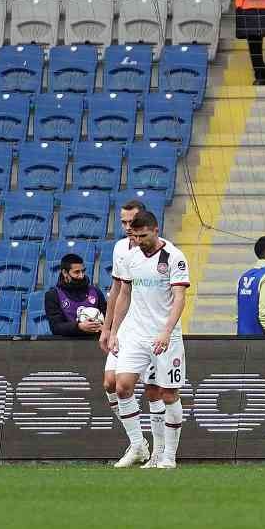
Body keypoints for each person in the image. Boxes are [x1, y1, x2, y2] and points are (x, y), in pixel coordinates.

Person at [102, 210, 190, 470]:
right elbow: (124, 294)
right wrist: (115, 330)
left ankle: (168, 456)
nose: (139, 240)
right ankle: (139, 445)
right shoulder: (130, 257)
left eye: (143, 235)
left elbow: (180, 298)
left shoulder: (174, 257)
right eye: (135, 236)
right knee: (121, 386)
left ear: (155, 229)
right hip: (137, 334)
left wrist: (166, 331)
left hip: (165, 336)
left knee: (167, 393)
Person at [102, 199, 162, 467]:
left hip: (150, 328)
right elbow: (117, 290)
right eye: (123, 223)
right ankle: (138, 444)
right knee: (109, 384)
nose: (127, 228)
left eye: (132, 222)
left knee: (151, 389)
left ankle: (160, 450)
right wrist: (108, 328)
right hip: (125, 326)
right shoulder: (119, 249)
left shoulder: (159, 252)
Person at [44, 253, 106, 338]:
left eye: (83, 271)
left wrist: (105, 327)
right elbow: (56, 327)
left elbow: (107, 318)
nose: (81, 276)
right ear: (65, 273)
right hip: (67, 347)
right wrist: (79, 327)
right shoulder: (52, 295)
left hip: (95, 344)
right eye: (76, 272)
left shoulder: (96, 292)